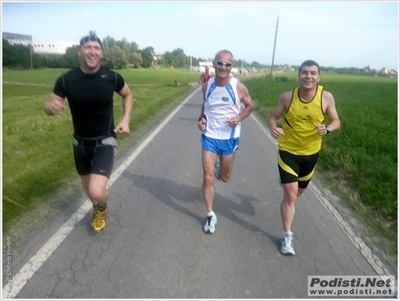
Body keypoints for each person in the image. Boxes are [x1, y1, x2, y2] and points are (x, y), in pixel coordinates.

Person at [43, 34, 133, 232]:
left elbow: (127, 94)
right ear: (80, 51)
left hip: (105, 140)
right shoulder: (67, 80)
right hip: (80, 143)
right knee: (87, 187)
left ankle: (102, 206)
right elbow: (48, 104)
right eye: (88, 47)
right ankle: (97, 206)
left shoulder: (112, 76)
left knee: (96, 190)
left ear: (101, 53)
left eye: (97, 48)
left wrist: (125, 119)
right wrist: (52, 108)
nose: (92, 51)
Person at [268, 60, 341, 255]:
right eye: (305, 73)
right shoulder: (287, 97)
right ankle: (287, 236)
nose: (308, 76)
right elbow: (273, 117)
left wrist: (327, 128)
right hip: (288, 151)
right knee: (290, 196)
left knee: (298, 193)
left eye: (313, 73)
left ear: (319, 77)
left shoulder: (326, 98)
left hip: (310, 154)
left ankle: (288, 182)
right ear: (298, 75)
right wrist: (273, 128)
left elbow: (336, 121)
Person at [198, 50, 254, 234]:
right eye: (220, 63)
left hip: (229, 138)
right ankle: (210, 215)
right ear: (213, 64)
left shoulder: (238, 87)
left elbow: (250, 106)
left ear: (232, 67)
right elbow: (205, 105)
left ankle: (219, 168)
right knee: (207, 177)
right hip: (210, 136)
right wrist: (202, 119)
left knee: (224, 178)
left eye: (227, 64)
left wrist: (238, 118)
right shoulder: (207, 85)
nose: (223, 67)